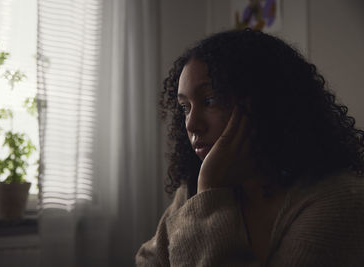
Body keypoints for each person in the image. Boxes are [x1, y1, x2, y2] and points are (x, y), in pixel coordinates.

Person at [135, 29, 364, 266]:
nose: (192, 124)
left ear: (264, 103)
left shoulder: (338, 200)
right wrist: (206, 189)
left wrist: (210, 194)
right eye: (185, 107)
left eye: (210, 100)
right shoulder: (194, 187)